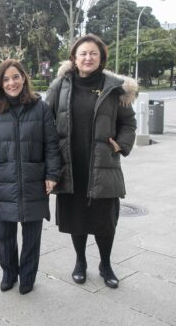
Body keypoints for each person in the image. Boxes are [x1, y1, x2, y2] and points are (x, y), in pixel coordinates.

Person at [45, 34, 137, 289]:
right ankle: (80, 261)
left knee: (105, 220)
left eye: (93, 53)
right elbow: (45, 119)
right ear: (74, 57)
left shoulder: (114, 87)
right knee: (77, 218)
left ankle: (105, 264)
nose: (88, 58)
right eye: (83, 53)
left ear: (101, 58)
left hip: (103, 165)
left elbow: (128, 122)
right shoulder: (60, 85)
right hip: (71, 164)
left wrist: (121, 144)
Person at [0, 59, 60, 295]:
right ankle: (8, 273)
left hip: (35, 179)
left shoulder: (40, 108)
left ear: (24, 78)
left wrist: (52, 174)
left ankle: (27, 276)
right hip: (3, 179)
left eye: (15, 77)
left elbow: (51, 145)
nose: (11, 83)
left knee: (32, 234)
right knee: (6, 233)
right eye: (5, 79)